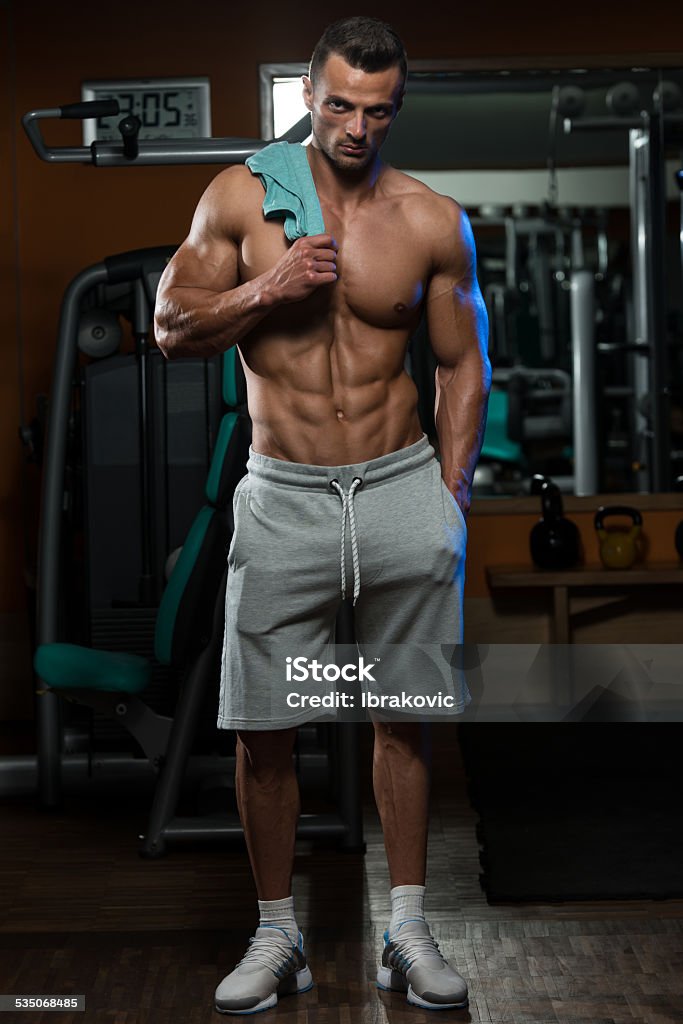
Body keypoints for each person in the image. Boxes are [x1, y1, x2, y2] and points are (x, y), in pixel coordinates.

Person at [154, 15, 490, 1015]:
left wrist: (452, 498)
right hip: (284, 494)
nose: (355, 124)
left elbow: (464, 361)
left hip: (397, 488)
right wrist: (268, 285)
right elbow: (172, 327)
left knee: (405, 719)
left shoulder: (429, 219)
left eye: (376, 109)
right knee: (263, 727)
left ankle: (409, 929)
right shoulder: (245, 197)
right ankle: (275, 935)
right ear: (309, 94)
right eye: (338, 103)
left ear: (397, 109)